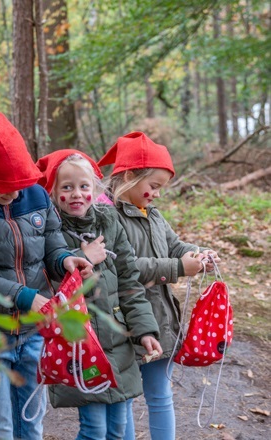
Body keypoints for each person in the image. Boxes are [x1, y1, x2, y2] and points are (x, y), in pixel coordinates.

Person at [0, 110, 92, 440]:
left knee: (32, 425)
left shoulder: (36, 195)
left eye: (15, 188)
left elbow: (52, 246)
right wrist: (24, 297)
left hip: (37, 332)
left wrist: (66, 259)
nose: (10, 196)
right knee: (1, 428)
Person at [97, 132, 222, 440]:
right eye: (153, 186)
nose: (157, 194)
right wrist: (178, 268)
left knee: (160, 395)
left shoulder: (153, 216)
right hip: (121, 323)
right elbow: (120, 268)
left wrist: (198, 253)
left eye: (160, 188)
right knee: (124, 398)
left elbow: (175, 246)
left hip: (158, 320)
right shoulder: (106, 217)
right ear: (127, 177)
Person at [36, 149, 162, 439]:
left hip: (117, 338)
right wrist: (83, 258)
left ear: (95, 188)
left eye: (83, 186)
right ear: (53, 192)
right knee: (94, 429)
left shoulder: (109, 221)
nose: (76, 194)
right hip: (79, 344)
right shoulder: (48, 230)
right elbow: (49, 279)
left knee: (118, 429)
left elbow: (130, 281)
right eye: (66, 187)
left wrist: (144, 330)